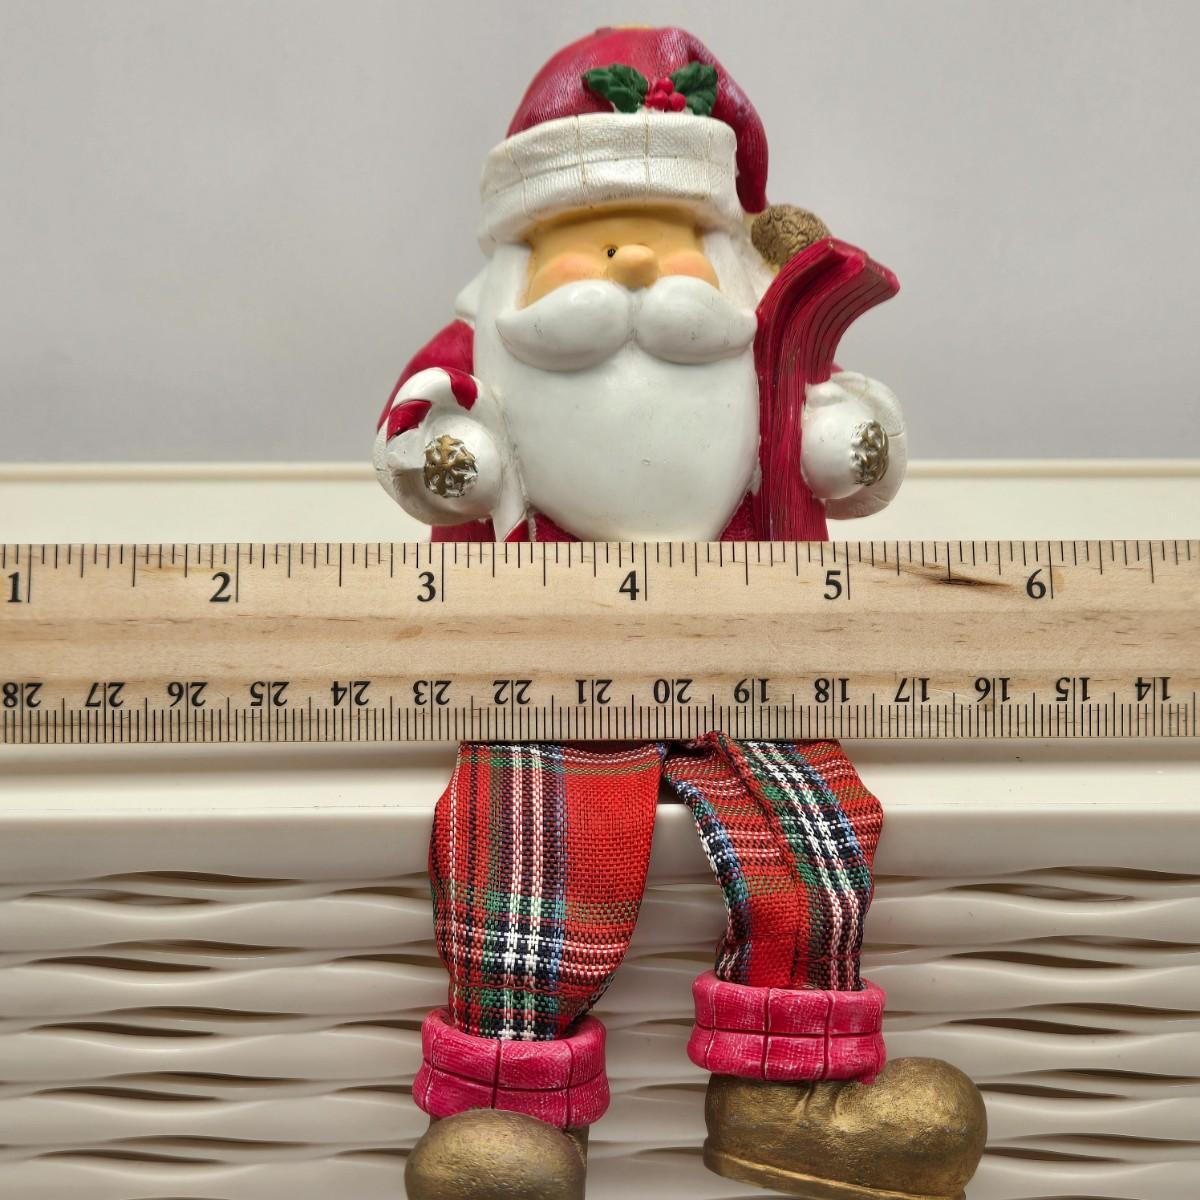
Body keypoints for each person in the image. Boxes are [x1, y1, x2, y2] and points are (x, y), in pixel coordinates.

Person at [374, 26, 985, 1200]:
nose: (633, 270)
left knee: (810, 823)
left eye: (664, 245)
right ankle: (510, 1114)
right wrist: (447, 458)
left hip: (739, 654)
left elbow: (823, 441)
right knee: (532, 842)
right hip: (547, 662)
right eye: (593, 243)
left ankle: (791, 1094)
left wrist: (838, 445)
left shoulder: (754, 355)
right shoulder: (483, 346)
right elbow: (420, 429)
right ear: (519, 250)